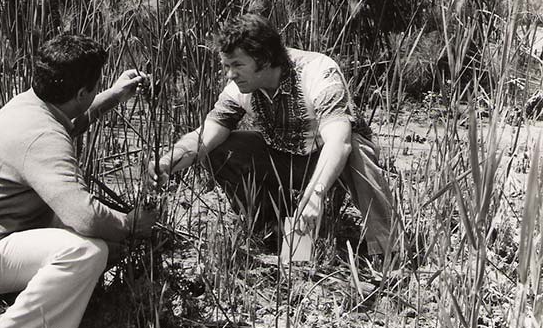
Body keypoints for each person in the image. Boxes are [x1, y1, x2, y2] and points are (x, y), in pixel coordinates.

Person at [0, 34, 157, 328]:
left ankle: (34, 301)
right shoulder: (41, 136)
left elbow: (68, 121)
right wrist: (131, 224)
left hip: (3, 238)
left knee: (106, 246)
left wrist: (113, 97)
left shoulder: (31, 105)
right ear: (79, 94)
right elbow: (84, 215)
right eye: (93, 90)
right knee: (88, 250)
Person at [149, 13, 396, 258]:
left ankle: (388, 249)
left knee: (354, 146)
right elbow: (206, 136)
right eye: (227, 66)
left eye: (237, 65)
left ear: (265, 59)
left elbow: (338, 143)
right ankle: (272, 228)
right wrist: (170, 160)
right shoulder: (238, 88)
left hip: (334, 164)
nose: (230, 75)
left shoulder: (318, 71)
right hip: (283, 159)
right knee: (219, 149)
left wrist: (316, 195)